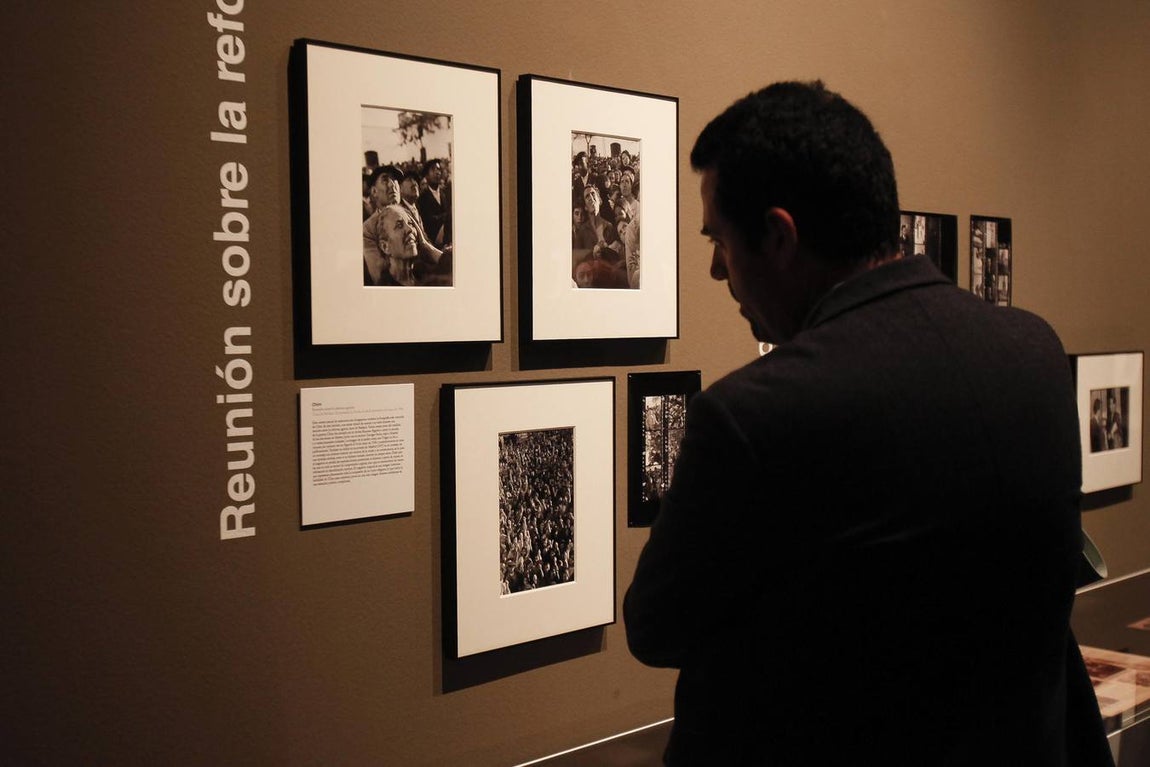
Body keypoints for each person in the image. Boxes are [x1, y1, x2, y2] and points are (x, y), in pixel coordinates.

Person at [623, 81, 1111, 765]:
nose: (713, 269)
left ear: (778, 236)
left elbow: (655, 627)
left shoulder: (755, 413)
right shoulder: (1033, 350)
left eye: (720, 241)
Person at [362, 204, 450, 286]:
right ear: (385, 247)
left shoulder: (427, 274)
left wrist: (425, 245)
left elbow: (454, 268)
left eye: (411, 224)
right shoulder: (385, 288)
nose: (410, 229)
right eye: (399, 225)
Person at [417, 159, 451, 247]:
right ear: (426, 176)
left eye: (438, 169)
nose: (437, 172)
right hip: (434, 241)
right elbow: (428, 221)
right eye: (433, 169)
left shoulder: (446, 192)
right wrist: (448, 216)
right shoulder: (422, 198)